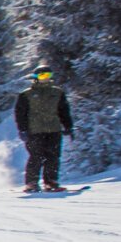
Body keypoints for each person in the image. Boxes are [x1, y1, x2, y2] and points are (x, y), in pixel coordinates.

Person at [14, 64, 74, 193]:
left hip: (54, 129)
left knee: (53, 156)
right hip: (34, 130)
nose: (45, 78)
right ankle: (31, 183)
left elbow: (64, 111)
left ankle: (51, 182)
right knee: (36, 156)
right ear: (36, 78)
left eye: (48, 75)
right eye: (42, 75)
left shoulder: (57, 93)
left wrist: (68, 126)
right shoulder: (26, 94)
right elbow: (20, 114)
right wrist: (22, 129)